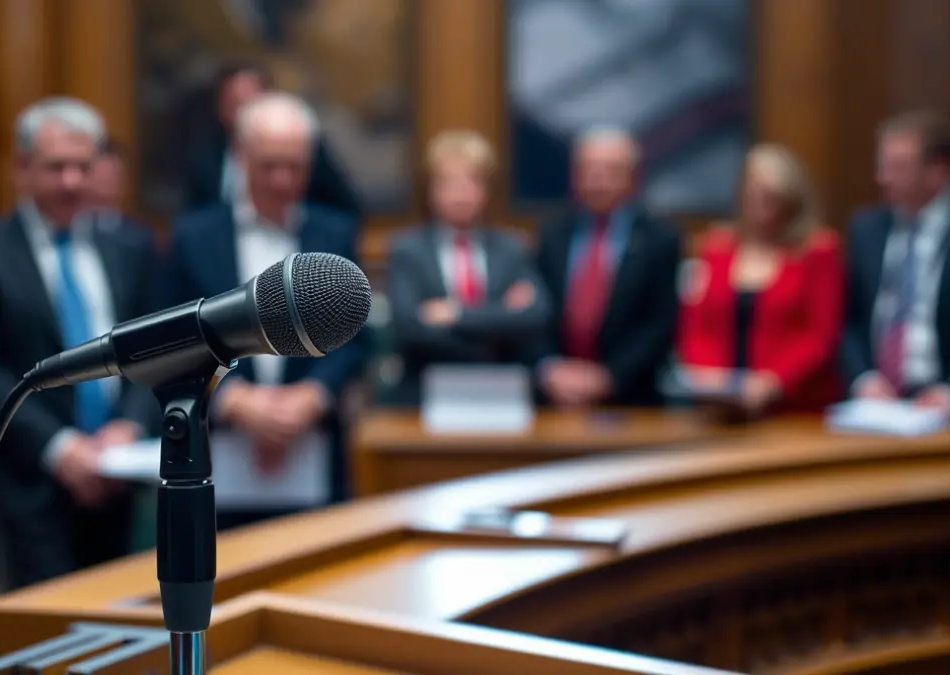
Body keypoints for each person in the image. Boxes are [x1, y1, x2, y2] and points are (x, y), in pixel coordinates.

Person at [0, 98, 159, 587]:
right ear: (22, 168)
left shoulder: (129, 247)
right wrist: (61, 448)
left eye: (83, 167)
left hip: (120, 477)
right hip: (31, 482)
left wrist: (128, 425)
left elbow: (152, 349)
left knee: (124, 624)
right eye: (56, 167)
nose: (71, 182)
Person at [159, 92, 366, 528]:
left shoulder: (336, 233)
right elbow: (175, 339)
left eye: (295, 166)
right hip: (220, 454)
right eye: (269, 165)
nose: (281, 180)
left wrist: (313, 397)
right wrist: (233, 400)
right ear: (240, 158)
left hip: (313, 448)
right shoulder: (194, 238)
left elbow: (355, 338)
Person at [386, 130, 549, 406]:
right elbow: (408, 328)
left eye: (471, 181)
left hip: (502, 391)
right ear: (430, 191)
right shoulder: (408, 250)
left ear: (486, 190)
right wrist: (498, 321)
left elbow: (535, 316)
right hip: (425, 394)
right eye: (449, 182)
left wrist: (455, 314)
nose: (460, 193)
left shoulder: (512, 248)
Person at [677, 144, 843, 415]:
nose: (758, 197)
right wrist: (711, 379)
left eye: (769, 193)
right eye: (752, 187)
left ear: (789, 196)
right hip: (720, 407)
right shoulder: (717, 248)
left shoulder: (818, 250)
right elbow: (697, 326)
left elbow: (820, 337)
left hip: (795, 407)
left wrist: (771, 382)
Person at [529, 126, 682, 407]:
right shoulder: (552, 235)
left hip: (631, 397)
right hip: (554, 398)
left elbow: (661, 323)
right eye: (588, 170)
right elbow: (536, 311)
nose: (597, 181)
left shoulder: (659, 240)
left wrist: (609, 377)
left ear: (633, 178)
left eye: (610, 171)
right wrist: (550, 368)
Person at [841, 110, 950, 419]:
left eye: (898, 167)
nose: (883, 178)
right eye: (882, 165)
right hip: (876, 407)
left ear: (938, 171)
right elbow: (848, 321)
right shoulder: (866, 229)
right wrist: (864, 380)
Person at [180, 61, 361, 215]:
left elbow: (344, 209)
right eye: (234, 104)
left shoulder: (303, 146)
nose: (244, 113)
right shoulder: (205, 156)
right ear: (220, 107)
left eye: (250, 102)